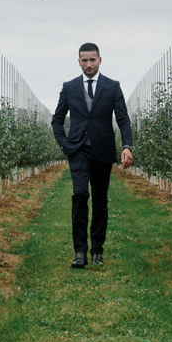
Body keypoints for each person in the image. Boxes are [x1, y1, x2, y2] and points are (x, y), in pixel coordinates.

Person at [51, 43, 133, 268]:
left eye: (92, 60)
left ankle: (97, 250)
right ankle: (80, 252)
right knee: (79, 195)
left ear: (100, 60)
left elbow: (123, 119)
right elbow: (57, 120)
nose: (88, 64)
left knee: (99, 200)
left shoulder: (112, 87)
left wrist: (127, 146)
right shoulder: (69, 87)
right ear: (79, 62)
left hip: (102, 150)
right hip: (78, 150)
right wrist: (64, 145)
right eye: (84, 60)